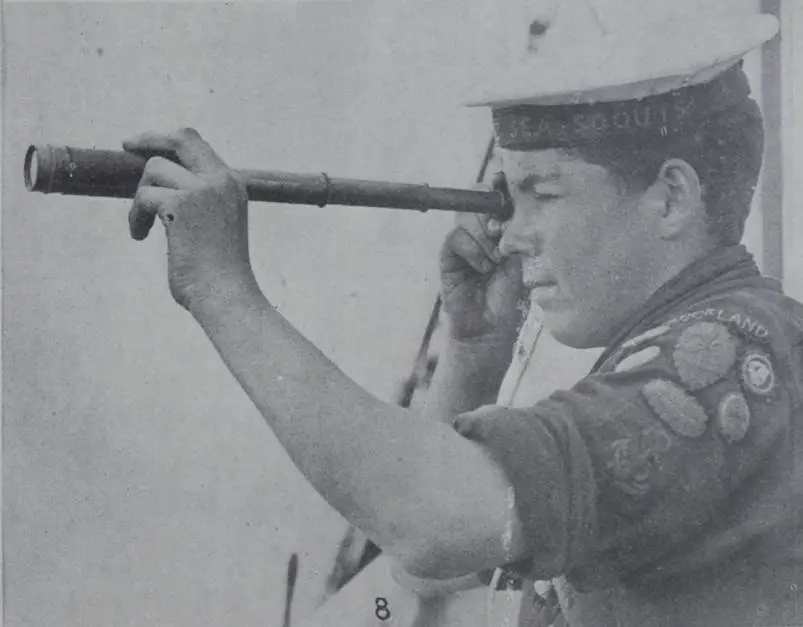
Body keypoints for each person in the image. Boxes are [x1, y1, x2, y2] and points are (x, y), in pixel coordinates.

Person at [124, 10, 802, 627]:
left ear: (671, 198)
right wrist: (475, 349)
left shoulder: (728, 356)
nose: (511, 234)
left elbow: (434, 522)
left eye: (542, 192)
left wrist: (219, 286)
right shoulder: (684, 343)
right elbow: (425, 567)